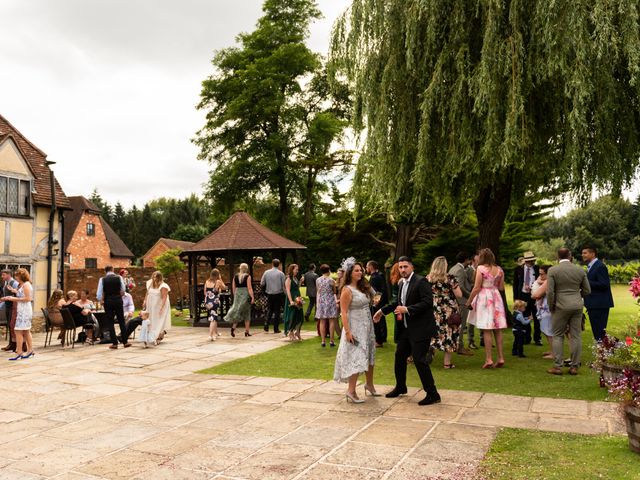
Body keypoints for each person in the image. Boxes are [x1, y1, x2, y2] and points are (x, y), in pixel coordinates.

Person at [374, 256, 441, 406]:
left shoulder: (420, 281)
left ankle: (433, 394)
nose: (403, 270)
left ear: (412, 267)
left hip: (421, 329)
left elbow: (427, 302)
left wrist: (408, 309)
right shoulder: (401, 283)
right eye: (400, 267)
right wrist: (382, 311)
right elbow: (397, 303)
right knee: (399, 356)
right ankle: (400, 387)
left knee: (419, 359)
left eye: (405, 267)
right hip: (406, 329)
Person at [334, 258, 378, 403]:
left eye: (361, 270)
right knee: (357, 357)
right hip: (355, 327)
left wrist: (375, 298)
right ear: (350, 273)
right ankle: (351, 391)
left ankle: (369, 384)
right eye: (356, 270)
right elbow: (344, 312)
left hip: (368, 326)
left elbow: (376, 295)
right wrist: (347, 332)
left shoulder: (363, 286)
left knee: (370, 354)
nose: (360, 272)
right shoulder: (347, 289)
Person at [546, 248, 591, 375]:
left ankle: (558, 366)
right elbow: (587, 290)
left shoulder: (553, 270)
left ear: (557, 256)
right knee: (576, 336)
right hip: (577, 305)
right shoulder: (580, 270)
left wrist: (551, 306)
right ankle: (574, 366)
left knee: (557, 335)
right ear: (570, 256)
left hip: (560, 306)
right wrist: (576, 295)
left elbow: (550, 292)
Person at [466, 248, 507, 369]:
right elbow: (501, 287)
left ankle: (489, 359)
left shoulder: (480, 268)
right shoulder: (499, 269)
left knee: (487, 329)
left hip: (485, 298)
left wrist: (469, 301)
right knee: (498, 330)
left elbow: (477, 287)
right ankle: (500, 357)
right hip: (496, 297)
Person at [428, 256, 463, 369]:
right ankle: (447, 363)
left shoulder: (428, 278)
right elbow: (459, 294)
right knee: (449, 333)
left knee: (435, 331)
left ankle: (431, 348)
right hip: (449, 310)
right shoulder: (450, 278)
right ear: (445, 266)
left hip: (435, 309)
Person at [1, 268, 34, 360]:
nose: (15, 277)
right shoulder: (23, 284)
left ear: (21, 276)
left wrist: (12, 298)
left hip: (24, 310)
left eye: (17, 275)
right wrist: (13, 292)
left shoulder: (26, 285)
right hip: (22, 309)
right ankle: (30, 351)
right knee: (26, 331)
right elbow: (21, 294)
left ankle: (19, 352)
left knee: (18, 331)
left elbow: (28, 299)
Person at [582, 247, 614, 341]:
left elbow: (604, 284)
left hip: (599, 304)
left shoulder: (600, 266)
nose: (583, 255)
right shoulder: (592, 266)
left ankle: (620, 347)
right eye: (582, 253)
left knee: (599, 333)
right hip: (594, 304)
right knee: (598, 333)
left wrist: (586, 282)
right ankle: (603, 353)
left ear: (593, 254)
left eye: (585, 253)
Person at [97, 265, 131, 349]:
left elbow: (99, 294)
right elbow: (123, 290)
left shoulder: (102, 279)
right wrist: (119, 295)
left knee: (110, 322)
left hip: (108, 301)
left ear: (105, 271)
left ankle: (114, 343)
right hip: (118, 300)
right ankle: (125, 342)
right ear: (113, 270)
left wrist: (101, 300)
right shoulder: (119, 277)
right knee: (121, 321)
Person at [448, 252, 474, 355]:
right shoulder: (460, 270)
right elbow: (460, 287)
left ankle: (456, 345)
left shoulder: (453, 268)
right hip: (461, 301)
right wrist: (470, 296)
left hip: (455, 300)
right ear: (466, 260)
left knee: (455, 325)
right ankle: (460, 347)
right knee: (461, 326)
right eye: (469, 260)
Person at [513, 252, 541, 345]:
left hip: (535, 295)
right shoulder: (518, 269)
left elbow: (541, 282)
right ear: (525, 261)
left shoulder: (537, 269)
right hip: (523, 296)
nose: (530, 262)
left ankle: (537, 338)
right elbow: (515, 284)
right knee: (525, 316)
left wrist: (533, 287)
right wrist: (516, 298)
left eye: (531, 260)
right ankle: (527, 338)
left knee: (537, 317)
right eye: (528, 260)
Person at [141, 271, 171, 346]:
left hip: (159, 304)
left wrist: (162, 307)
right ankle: (152, 335)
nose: (154, 278)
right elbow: (147, 293)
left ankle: (157, 336)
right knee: (151, 320)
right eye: (153, 276)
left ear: (159, 277)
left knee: (158, 320)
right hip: (150, 304)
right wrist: (145, 301)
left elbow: (164, 297)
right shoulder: (150, 283)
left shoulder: (163, 286)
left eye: (156, 277)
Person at [531, 265, 554, 359]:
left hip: (547, 309)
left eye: (542, 274)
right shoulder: (546, 281)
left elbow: (536, 295)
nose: (540, 276)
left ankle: (554, 353)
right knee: (546, 331)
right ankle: (552, 350)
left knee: (549, 331)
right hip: (544, 307)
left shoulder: (549, 282)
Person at [225, 263, 254, 338]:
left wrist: (236, 296)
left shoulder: (235, 276)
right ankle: (247, 331)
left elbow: (233, 287)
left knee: (238, 311)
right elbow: (249, 288)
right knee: (247, 313)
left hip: (237, 295)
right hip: (245, 294)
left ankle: (233, 328)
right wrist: (252, 297)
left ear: (240, 268)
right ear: (246, 269)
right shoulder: (248, 276)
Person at [315, 264, 339, 347]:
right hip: (330, 301)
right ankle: (331, 341)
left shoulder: (318, 280)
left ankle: (323, 341)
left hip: (321, 301)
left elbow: (318, 291)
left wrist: (317, 303)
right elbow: (334, 292)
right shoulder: (332, 281)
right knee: (331, 321)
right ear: (328, 271)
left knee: (322, 321)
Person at [366, 260, 388, 347]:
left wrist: (375, 303)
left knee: (376, 321)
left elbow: (378, 291)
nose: (366, 268)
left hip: (377, 303)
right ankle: (382, 337)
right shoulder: (379, 275)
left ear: (371, 267)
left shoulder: (375, 277)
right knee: (381, 320)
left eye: (367, 267)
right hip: (381, 302)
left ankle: (378, 341)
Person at [260, 259, 285, 334]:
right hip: (278, 294)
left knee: (270, 310)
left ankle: (266, 324)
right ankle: (275, 328)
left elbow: (262, 283)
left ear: (272, 264)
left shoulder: (266, 272)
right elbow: (283, 285)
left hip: (269, 294)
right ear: (279, 264)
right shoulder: (281, 274)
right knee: (277, 311)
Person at [283, 264, 304, 341]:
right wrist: (291, 300)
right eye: (296, 269)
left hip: (298, 298)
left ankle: (297, 332)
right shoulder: (288, 279)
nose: (297, 271)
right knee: (292, 316)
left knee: (300, 317)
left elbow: (297, 287)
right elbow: (288, 290)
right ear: (292, 270)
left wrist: (300, 282)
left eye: (297, 269)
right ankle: (290, 332)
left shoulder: (295, 278)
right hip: (291, 298)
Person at [205, 269, 226, 341]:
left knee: (214, 316)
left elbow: (205, 292)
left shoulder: (207, 281)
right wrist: (220, 278)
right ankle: (210, 335)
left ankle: (216, 333)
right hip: (215, 302)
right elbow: (225, 287)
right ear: (217, 275)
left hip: (208, 302)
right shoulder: (218, 281)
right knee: (213, 319)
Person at [1, 269, 20, 352]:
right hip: (8, 306)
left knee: (13, 326)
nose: (2, 277)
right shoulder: (6, 283)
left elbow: (17, 294)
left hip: (13, 307)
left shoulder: (15, 283)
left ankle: (15, 344)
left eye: (3, 275)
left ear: (9, 275)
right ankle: (11, 344)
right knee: (10, 325)